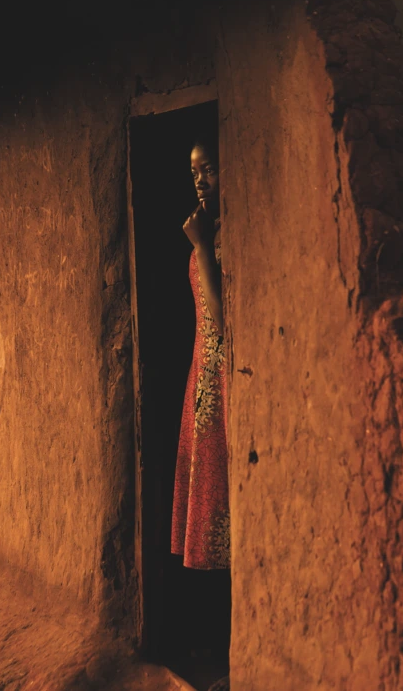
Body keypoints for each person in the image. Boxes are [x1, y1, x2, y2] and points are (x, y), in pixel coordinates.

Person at [171, 133, 230, 572]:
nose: (200, 179)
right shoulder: (207, 226)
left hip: (223, 375)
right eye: (194, 172)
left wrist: (202, 247)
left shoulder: (222, 235)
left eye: (208, 168)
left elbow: (221, 313)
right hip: (202, 372)